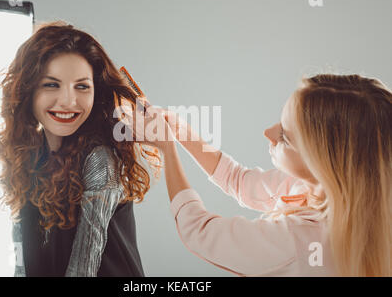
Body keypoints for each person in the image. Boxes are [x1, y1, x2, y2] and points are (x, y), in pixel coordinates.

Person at [130, 74, 391, 276]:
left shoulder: (299, 242)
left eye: (285, 137)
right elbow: (240, 181)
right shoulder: (316, 188)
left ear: (322, 162)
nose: (268, 132)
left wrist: (168, 151)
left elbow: (200, 232)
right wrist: (181, 132)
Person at [0, 20, 161, 277]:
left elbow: (83, 268)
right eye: (51, 84)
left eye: (82, 86)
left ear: (96, 93)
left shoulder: (99, 159)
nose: (68, 101)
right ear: (28, 91)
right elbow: (22, 262)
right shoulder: (27, 158)